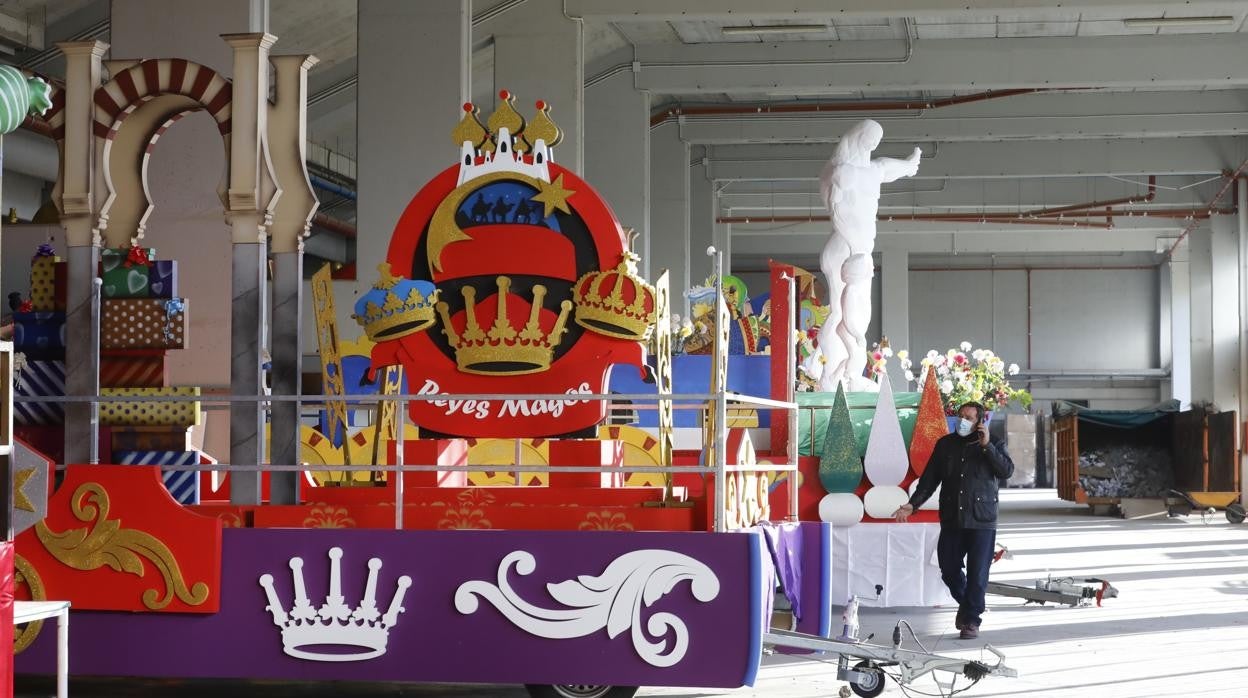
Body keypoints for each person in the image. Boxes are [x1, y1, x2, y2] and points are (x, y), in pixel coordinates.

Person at [892, 401, 1014, 640]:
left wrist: (987, 445)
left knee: (978, 574)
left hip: (982, 520)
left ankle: (971, 621)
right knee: (948, 569)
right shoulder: (945, 445)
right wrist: (912, 504)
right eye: (961, 416)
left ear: (979, 421)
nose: (963, 421)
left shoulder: (994, 443)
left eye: (969, 417)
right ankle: (968, 607)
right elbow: (929, 480)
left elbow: (1006, 471)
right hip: (952, 518)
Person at [816, 119, 921, 392]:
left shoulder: (871, 170)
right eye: (870, 139)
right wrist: (853, 250)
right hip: (847, 249)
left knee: (850, 315)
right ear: (857, 138)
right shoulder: (843, 171)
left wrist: (910, 165)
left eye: (877, 140)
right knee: (846, 314)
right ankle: (835, 374)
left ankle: (843, 372)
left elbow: (892, 168)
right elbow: (837, 204)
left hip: (858, 250)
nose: (873, 145)